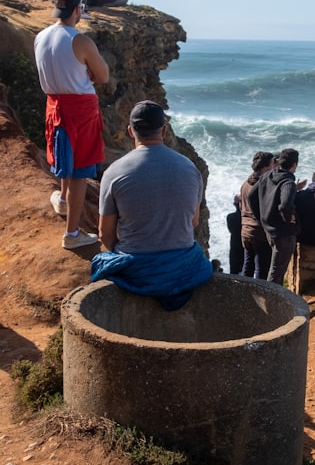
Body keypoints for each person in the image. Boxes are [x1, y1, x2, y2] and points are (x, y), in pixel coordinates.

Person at [92, 101, 211, 310]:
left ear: (130, 131)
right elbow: (193, 221)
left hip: (136, 268)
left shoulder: (114, 172)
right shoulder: (190, 168)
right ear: (163, 131)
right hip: (182, 267)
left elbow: (105, 234)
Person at [34, 0, 110, 249]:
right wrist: (87, 70)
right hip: (80, 109)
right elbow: (103, 76)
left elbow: (57, 70)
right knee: (79, 172)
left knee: (63, 155)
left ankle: (63, 200)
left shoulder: (40, 37)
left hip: (54, 105)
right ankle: (72, 234)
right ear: (78, 9)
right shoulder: (80, 40)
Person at [250, 148, 300, 285]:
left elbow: (251, 196)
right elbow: (285, 205)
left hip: (269, 229)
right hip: (283, 233)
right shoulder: (288, 182)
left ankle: (269, 301)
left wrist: (262, 217)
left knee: (273, 269)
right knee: (276, 274)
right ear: (294, 164)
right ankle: (270, 304)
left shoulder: (267, 176)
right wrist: (288, 218)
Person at [238, 151, 274, 279]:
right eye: (272, 164)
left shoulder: (245, 183)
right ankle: (260, 298)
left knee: (247, 267)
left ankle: (242, 296)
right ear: (265, 167)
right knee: (261, 270)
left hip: (245, 231)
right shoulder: (263, 185)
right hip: (259, 232)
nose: (275, 167)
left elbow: (241, 206)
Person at [226, 195, 243, 274]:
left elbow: (230, 230)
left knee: (234, 270)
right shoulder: (248, 219)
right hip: (245, 245)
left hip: (234, 245)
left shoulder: (230, 217)